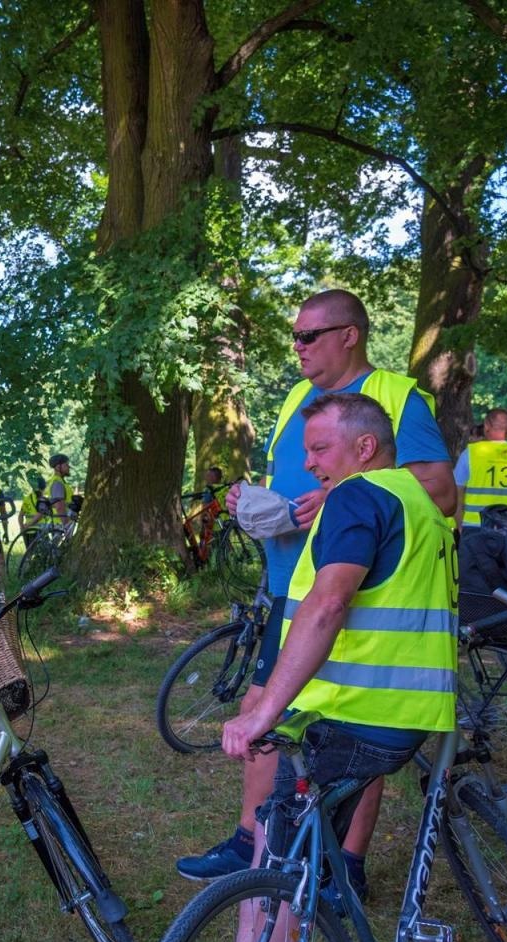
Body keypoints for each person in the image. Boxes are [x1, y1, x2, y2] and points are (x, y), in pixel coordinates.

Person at [166, 392, 457, 942]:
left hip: (351, 713)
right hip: (410, 713)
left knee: (277, 853)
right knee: (305, 844)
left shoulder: (358, 497)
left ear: (365, 447)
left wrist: (262, 710)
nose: (309, 463)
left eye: (320, 448)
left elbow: (327, 606)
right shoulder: (420, 504)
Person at [179, 288, 455, 887]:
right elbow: (295, 479)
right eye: (294, 337)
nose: (297, 347)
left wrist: (341, 497)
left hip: (356, 594)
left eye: (308, 335)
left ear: (349, 335)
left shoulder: (396, 397)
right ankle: (253, 843)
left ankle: (342, 866)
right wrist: (251, 500)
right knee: (268, 713)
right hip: (291, 583)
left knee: (347, 733)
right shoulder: (297, 399)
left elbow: (439, 490)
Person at [456, 407, 507, 528]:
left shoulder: (470, 453)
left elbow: (457, 494)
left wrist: (460, 526)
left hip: (475, 527)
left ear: (486, 425)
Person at [43, 453, 73, 528]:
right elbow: (59, 506)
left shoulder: (60, 481)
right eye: (66, 465)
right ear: (58, 467)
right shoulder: (57, 483)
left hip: (60, 523)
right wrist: (66, 524)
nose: (69, 467)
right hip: (61, 525)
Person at [19, 474, 48, 548]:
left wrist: (22, 528)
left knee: (29, 554)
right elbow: (39, 515)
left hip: (27, 532)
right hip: (39, 531)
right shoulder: (42, 499)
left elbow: (20, 516)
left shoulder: (27, 498)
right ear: (43, 487)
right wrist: (28, 525)